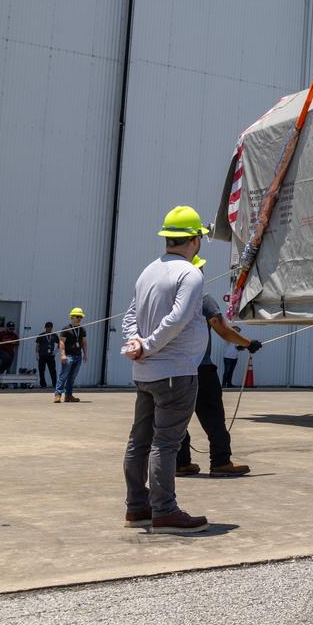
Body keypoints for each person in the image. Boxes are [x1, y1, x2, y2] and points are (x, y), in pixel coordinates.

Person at [120, 205, 212, 534]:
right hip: (175, 371)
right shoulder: (190, 274)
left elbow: (129, 316)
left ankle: (137, 507)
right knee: (166, 443)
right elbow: (179, 318)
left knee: (139, 441)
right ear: (196, 240)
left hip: (144, 372)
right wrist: (149, 345)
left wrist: (135, 343)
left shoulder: (149, 271)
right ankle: (164, 510)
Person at [175, 256, 262, 477]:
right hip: (200, 370)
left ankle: (181, 462)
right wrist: (248, 344)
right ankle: (221, 461)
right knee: (214, 417)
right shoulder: (203, 299)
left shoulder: (170, 299)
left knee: (177, 418)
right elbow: (223, 329)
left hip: (173, 369)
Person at [55, 307, 88, 403]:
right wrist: (63, 355)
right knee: (63, 375)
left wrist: (85, 354)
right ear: (72, 317)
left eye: (81, 317)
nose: (79, 318)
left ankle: (68, 396)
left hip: (78, 356)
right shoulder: (66, 329)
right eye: (77, 316)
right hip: (68, 356)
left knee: (72, 377)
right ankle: (58, 395)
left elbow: (84, 342)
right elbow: (61, 342)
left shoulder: (82, 329)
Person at [35, 322, 59, 388]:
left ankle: (55, 384)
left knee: (53, 370)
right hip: (42, 355)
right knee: (41, 370)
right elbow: (37, 345)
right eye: (48, 327)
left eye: (50, 327)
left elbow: (60, 343)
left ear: (52, 328)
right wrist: (37, 353)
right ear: (45, 327)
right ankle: (43, 385)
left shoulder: (54, 335)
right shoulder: (41, 335)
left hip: (51, 356)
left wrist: (56, 350)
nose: (49, 328)